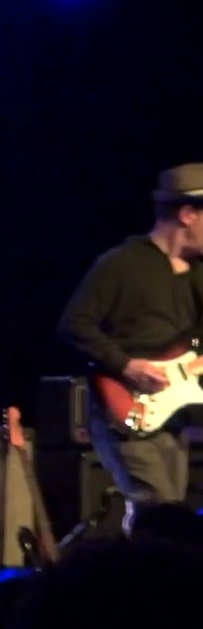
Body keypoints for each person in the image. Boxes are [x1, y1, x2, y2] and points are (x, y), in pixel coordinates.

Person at [58, 162, 203, 534]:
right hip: (126, 403)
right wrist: (125, 365)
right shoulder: (121, 264)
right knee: (154, 506)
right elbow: (75, 324)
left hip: (175, 415)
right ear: (187, 214)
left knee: (171, 511)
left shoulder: (198, 273)